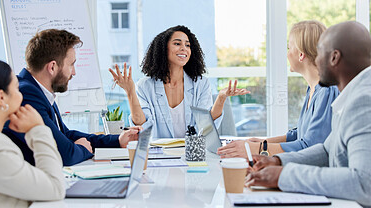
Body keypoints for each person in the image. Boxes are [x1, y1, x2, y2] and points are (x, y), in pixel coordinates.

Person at [245, 21, 371, 207]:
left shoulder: (364, 102)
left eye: (319, 52)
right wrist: (278, 161)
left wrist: (285, 175)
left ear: (334, 58)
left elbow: (364, 183)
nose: (315, 59)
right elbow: (328, 150)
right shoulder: (352, 95)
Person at [3, 29, 142, 166]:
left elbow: (65, 135)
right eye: (71, 64)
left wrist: (117, 140)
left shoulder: (38, 90)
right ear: (52, 67)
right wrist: (82, 149)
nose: (74, 72)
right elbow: (65, 154)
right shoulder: (26, 94)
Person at [217, 20, 339, 158]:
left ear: (301, 54)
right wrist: (263, 142)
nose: (287, 54)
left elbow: (311, 146)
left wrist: (258, 148)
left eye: (289, 48)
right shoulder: (313, 89)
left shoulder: (327, 91)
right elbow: (300, 134)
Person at [109, 25, 250, 138]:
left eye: (188, 45)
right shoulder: (145, 85)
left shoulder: (201, 83)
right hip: (159, 156)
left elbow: (205, 127)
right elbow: (143, 125)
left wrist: (221, 98)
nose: (184, 48)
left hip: (192, 154)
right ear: (163, 49)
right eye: (177, 43)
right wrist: (129, 91)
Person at [0, 58, 64, 207]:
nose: (21, 96)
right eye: (17, 88)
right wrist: (38, 129)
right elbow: (55, 188)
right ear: (1, 98)